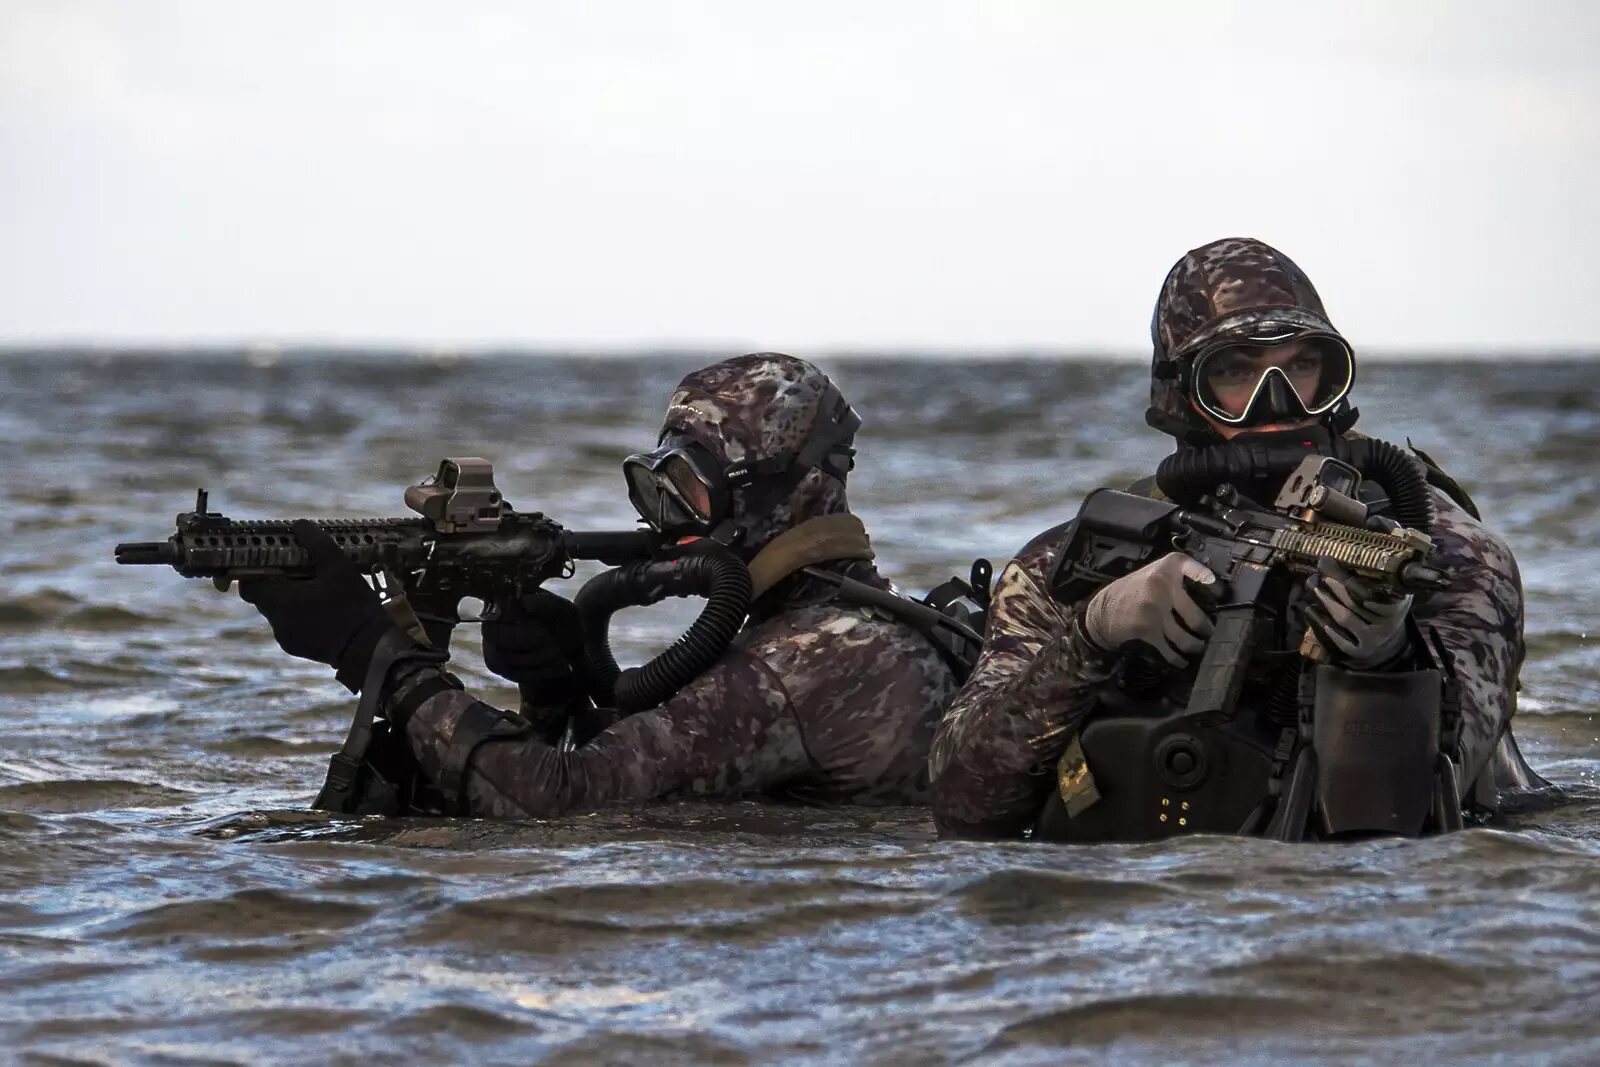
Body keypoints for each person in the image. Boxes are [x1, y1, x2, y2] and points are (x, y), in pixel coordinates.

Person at [931, 237, 1544, 841]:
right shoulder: (1072, 559)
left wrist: (1390, 662)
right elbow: (964, 805)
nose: (1278, 401)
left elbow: (1446, 800)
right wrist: (1091, 637)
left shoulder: (1448, 549)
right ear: (1181, 393)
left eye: (1303, 367)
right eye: (1234, 371)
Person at [241, 353, 959, 818]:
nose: (671, 519)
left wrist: (374, 652)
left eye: (690, 488)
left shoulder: (798, 666)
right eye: (657, 485)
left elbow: (554, 804)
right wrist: (560, 695)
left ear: (779, 495)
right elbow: (668, 769)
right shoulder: (854, 630)